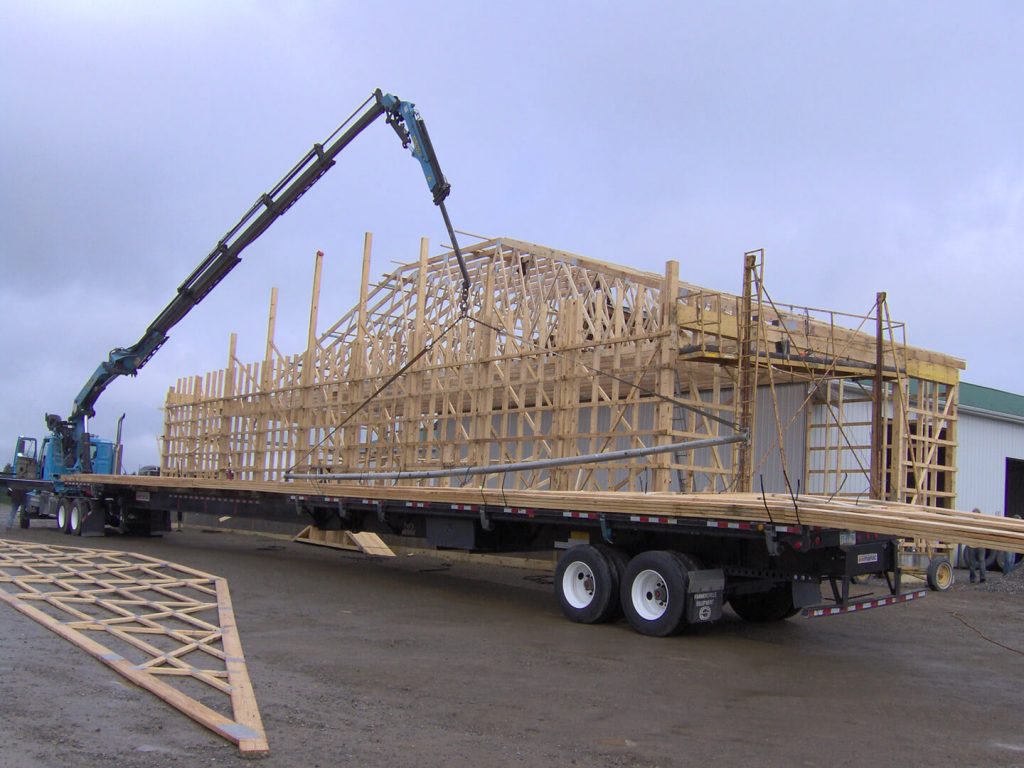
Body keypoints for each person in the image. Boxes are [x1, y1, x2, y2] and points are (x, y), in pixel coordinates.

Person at [966, 507, 987, 584]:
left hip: (978, 545)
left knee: (978, 562)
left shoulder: (979, 524)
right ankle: (977, 578)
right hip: (974, 545)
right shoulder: (971, 524)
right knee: (976, 562)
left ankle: (979, 578)